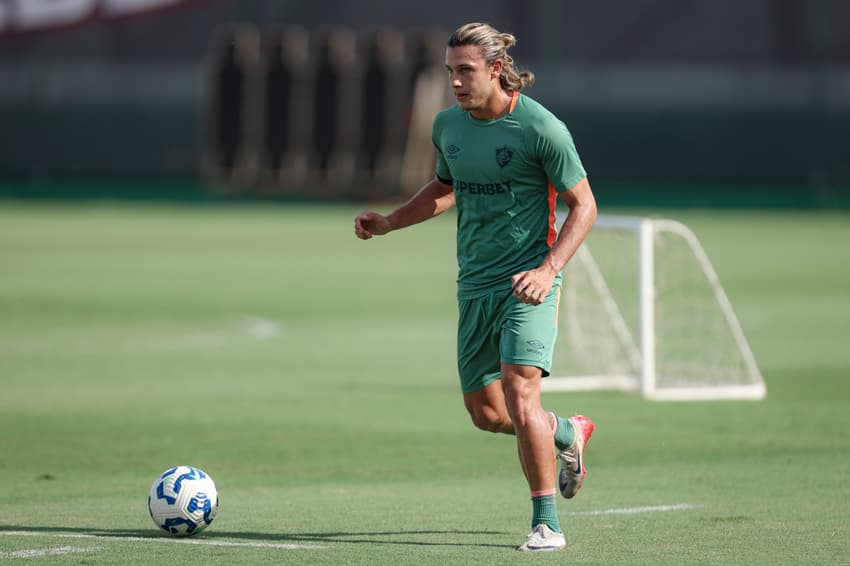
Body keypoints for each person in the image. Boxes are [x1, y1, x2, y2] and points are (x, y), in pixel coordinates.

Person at [354, 22, 597, 552]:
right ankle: (564, 433)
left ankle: (546, 523)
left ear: (494, 68)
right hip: (474, 287)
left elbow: (585, 205)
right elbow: (446, 188)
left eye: (465, 71)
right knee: (487, 415)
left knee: (520, 391)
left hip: (528, 283)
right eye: (450, 73)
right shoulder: (448, 127)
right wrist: (392, 222)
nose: (456, 83)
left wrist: (548, 270)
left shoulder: (541, 129)